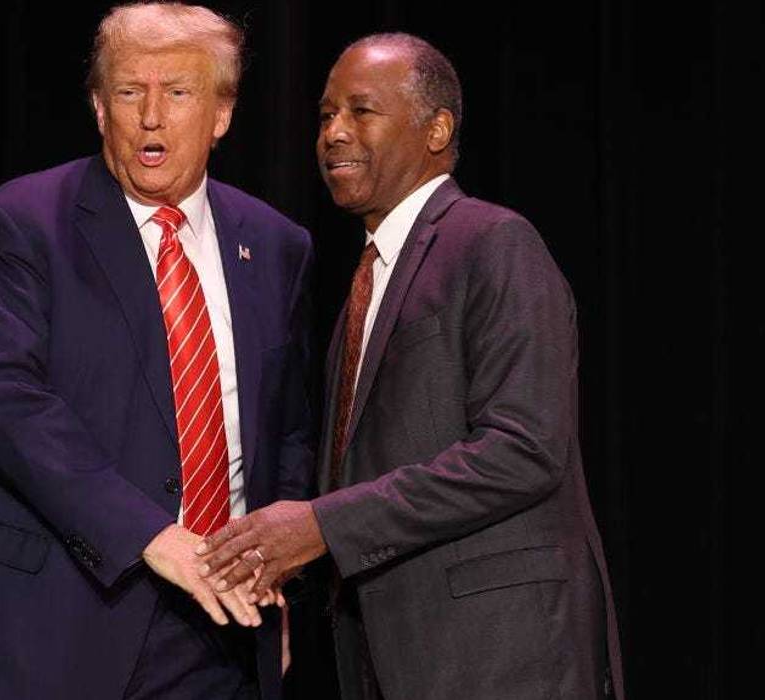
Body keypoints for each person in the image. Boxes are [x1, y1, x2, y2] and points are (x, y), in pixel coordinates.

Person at [0, 4, 315, 699]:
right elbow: (4, 402)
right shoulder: (19, 224)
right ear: (99, 108)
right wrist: (152, 535)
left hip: (220, 636)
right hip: (54, 627)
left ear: (221, 113)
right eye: (129, 92)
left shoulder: (276, 245)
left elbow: (289, 425)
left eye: (178, 92)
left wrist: (278, 567)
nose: (151, 116)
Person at [198, 33, 625, 699]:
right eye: (324, 115)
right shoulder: (365, 283)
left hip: (497, 655)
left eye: (361, 112)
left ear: (437, 130)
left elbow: (523, 449)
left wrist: (321, 526)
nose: (333, 134)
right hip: (390, 654)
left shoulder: (492, 243)